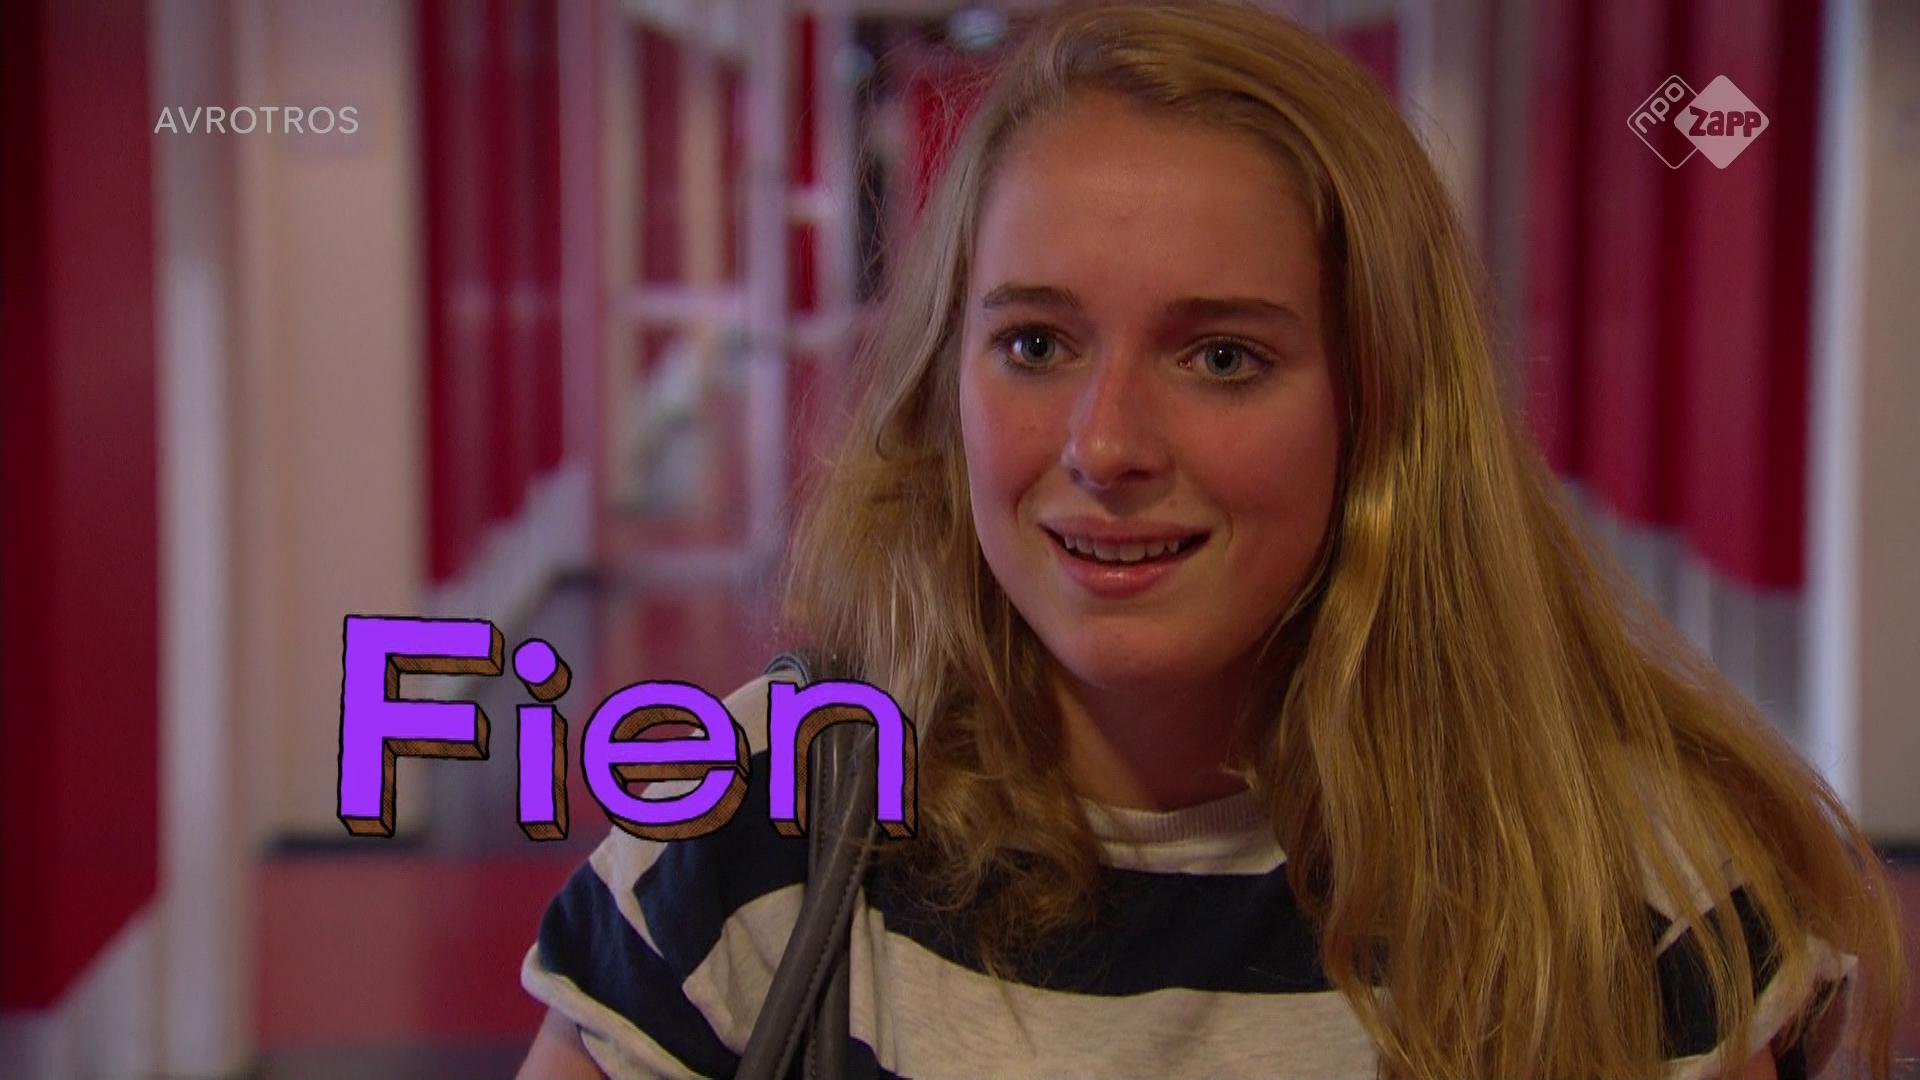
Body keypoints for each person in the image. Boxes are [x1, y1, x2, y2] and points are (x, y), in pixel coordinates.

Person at [517, 2, 1908, 1077]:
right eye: (1037, 342)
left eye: (1224, 357)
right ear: (945, 383)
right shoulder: (745, 826)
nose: (1106, 445)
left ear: (1376, 408)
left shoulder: (1629, 890)